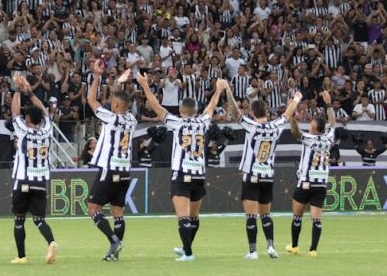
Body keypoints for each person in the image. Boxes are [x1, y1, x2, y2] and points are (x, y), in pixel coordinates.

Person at [137, 74, 229, 262]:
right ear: (196, 110)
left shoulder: (177, 123)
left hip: (181, 174)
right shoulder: (203, 121)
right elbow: (211, 106)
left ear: (181, 110)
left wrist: (145, 86)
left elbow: (157, 107)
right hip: (199, 174)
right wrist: (219, 88)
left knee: (183, 218)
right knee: (193, 217)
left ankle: (188, 253)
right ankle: (187, 248)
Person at [224, 91, 303, 259]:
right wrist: (296, 98)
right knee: (266, 214)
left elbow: (235, 111)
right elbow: (288, 114)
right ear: (266, 112)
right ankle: (271, 248)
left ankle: (253, 251)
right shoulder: (276, 125)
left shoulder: (251, 126)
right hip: (268, 176)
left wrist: (228, 91)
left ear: (252, 112)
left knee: (251, 215)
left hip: (252, 175)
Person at [85, 61, 136, 261]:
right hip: (125, 172)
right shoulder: (131, 119)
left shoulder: (111, 118)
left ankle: (114, 240)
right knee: (118, 213)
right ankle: (114, 254)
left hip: (109, 169)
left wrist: (97, 76)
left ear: (115, 106)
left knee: (93, 208)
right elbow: (119, 98)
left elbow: (91, 99)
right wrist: (119, 82)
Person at [8, 74, 57, 265]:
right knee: (39, 219)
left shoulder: (23, 129)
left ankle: (21, 257)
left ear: (27, 118)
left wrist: (18, 90)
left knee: (19, 219)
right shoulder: (47, 129)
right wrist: (31, 92)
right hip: (40, 181)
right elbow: (44, 112)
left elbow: (13, 112)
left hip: (23, 180)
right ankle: (51, 242)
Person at [287, 92, 335, 257]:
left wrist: (291, 115)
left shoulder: (309, 138)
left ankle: (294, 246)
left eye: (311, 123)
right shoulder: (329, 138)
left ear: (314, 128)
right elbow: (333, 123)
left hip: (305, 183)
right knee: (317, 219)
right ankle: (313, 250)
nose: (309, 124)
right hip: (320, 185)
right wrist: (328, 104)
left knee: (297, 216)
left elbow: (295, 132)